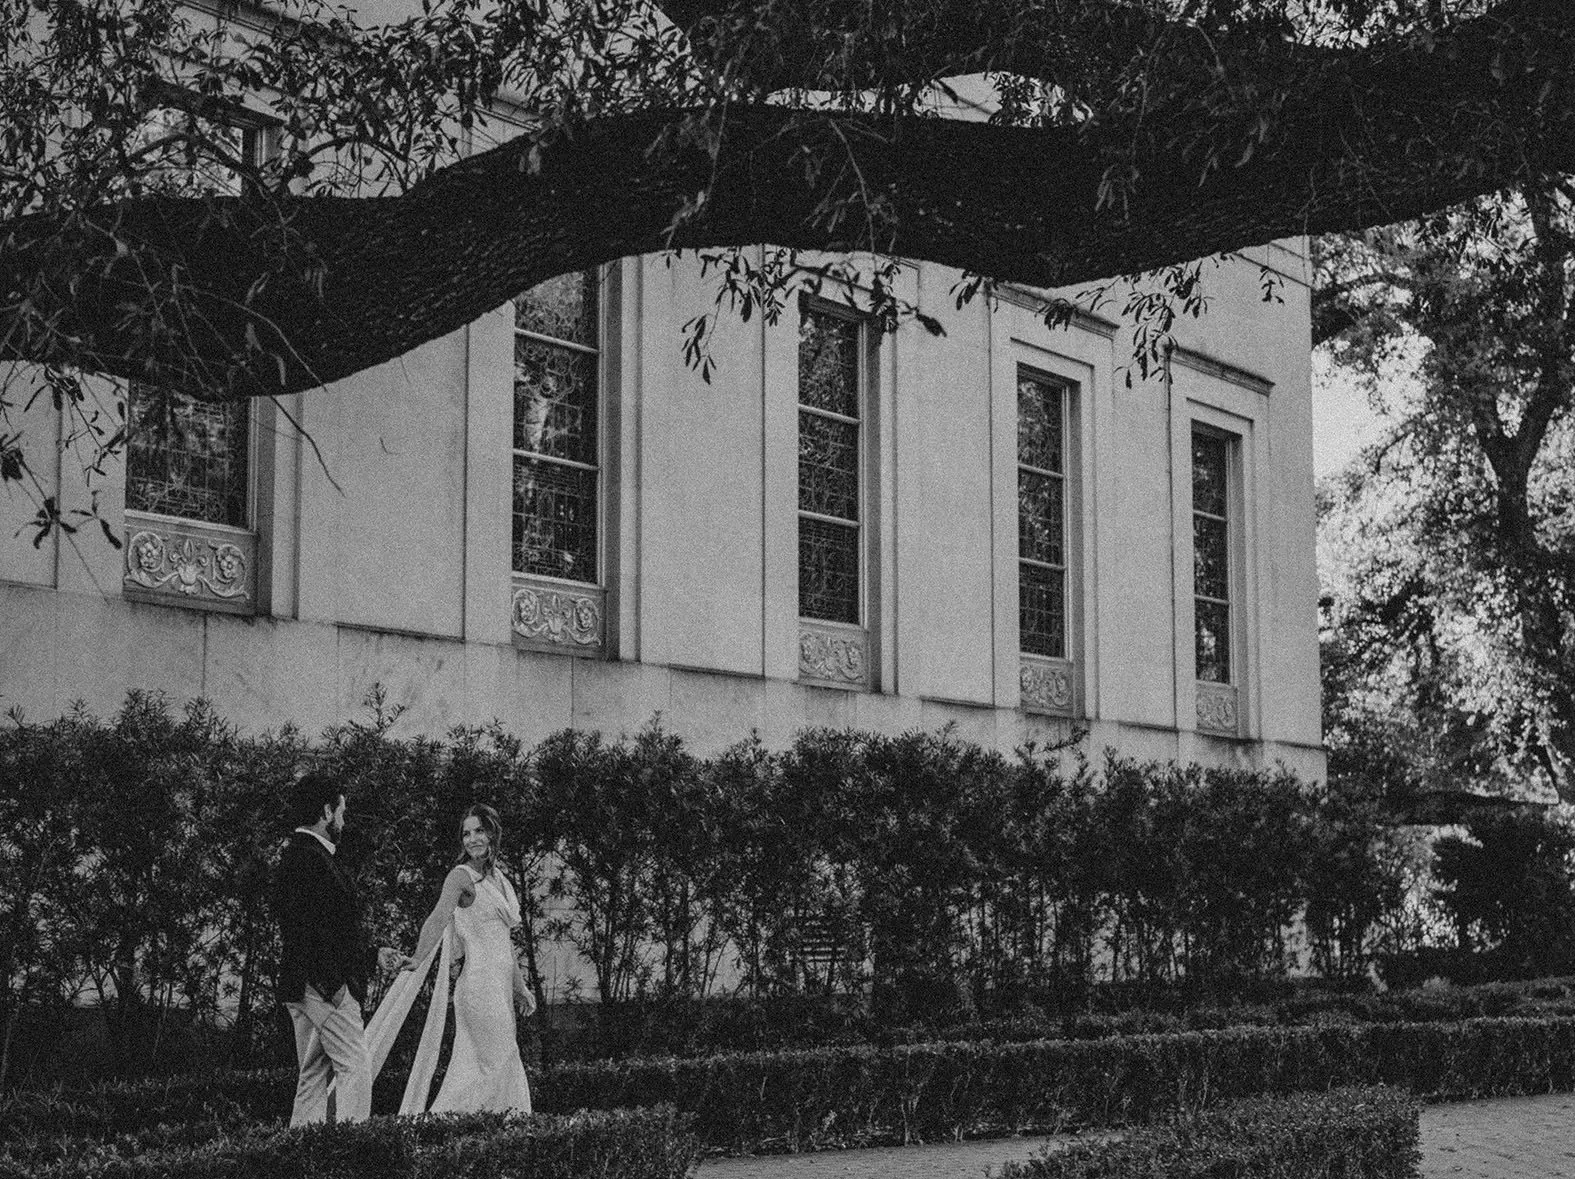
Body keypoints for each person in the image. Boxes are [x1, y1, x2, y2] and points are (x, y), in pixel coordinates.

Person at [367, 803, 536, 1115]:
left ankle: (466, 1128)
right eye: (466, 834)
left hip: (500, 988)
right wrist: (418, 957)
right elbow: (437, 918)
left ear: (493, 833)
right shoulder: (460, 877)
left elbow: (505, 944)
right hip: (478, 987)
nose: (472, 839)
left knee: (480, 1066)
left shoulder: (500, 879)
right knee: (500, 1059)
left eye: (479, 831)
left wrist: (520, 987)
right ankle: (501, 1124)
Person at [272, 770, 376, 1126]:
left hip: (303, 985)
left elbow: (324, 927)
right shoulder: (310, 859)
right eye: (341, 812)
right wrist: (334, 989)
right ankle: (355, 1148)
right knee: (355, 1066)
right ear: (327, 812)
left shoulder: (300, 855)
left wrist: (374, 956)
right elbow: (313, 932)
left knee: (313, 1074)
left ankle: (301, 1149)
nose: (343, 822)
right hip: (323, 987)